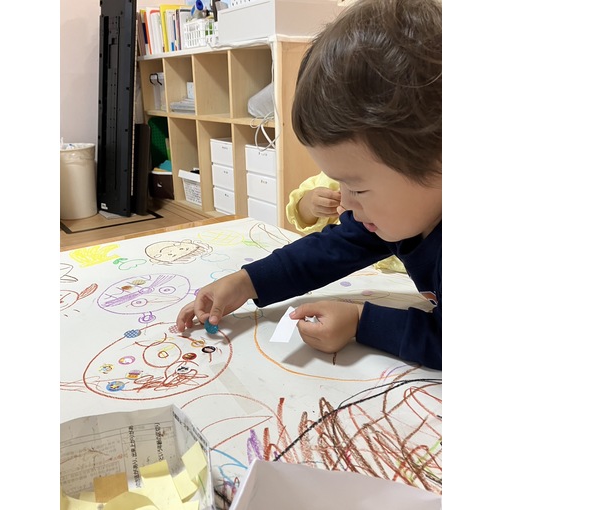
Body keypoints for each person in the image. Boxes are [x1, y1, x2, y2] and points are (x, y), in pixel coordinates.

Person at [177, 0, 442, 370]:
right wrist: (246, 282)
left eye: (358, 188)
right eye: (341, 185)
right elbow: (329, 249)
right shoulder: (397, 215)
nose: (345, 203)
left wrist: (362, 322)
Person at [287, 171, 408, 274]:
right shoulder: (334, 174)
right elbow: (299, 215)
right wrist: (310, 204)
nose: (346, 201)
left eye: (359, 191)